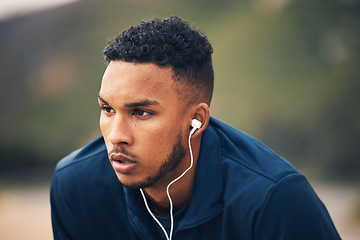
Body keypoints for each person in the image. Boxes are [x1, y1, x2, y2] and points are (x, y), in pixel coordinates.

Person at [50, 16, 341, 240]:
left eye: (141, 112)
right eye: (108, 109)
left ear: (197, 121)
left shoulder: (275, 200)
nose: (116, 136)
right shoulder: (76, 187)